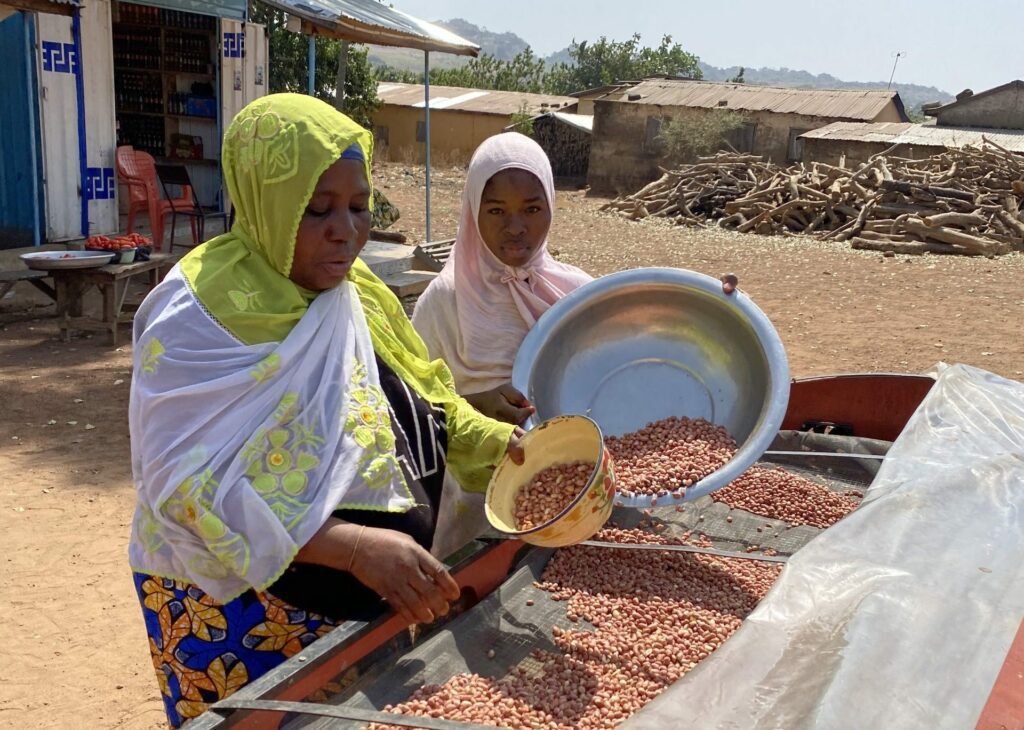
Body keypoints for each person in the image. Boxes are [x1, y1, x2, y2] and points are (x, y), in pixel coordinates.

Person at [127, 94, 523, 728]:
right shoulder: (199, 317)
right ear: (266, 203)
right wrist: (356, 547)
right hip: (234, 604)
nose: (347, 230)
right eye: (317, 210)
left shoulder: (354, 289)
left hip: (354, 593)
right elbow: (182, 488)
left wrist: (507, 447)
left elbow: (424, 400)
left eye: (360, 207)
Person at [412, 132, 593, 426]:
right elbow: (411, 406)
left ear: (551, 206)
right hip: (473, 471)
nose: (515, 227)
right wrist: (474, 407)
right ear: (473, 212)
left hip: (575, 465)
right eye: (496, 211)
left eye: (532, 209)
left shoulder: (579, 295)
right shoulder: (445, 301)